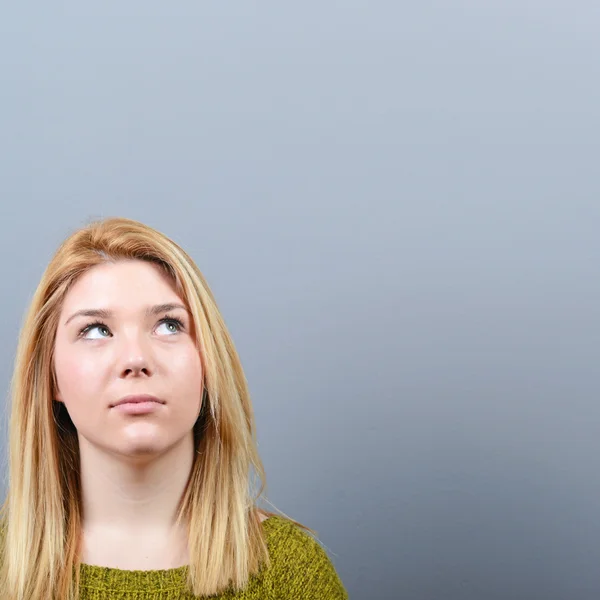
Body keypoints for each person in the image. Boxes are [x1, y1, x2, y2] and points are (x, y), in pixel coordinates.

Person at [0, 217, 348, 599]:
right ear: (49, 377)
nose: (135, 358)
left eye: (168, 325)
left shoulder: (288, 572)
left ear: (207, 362)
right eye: (96, 330)